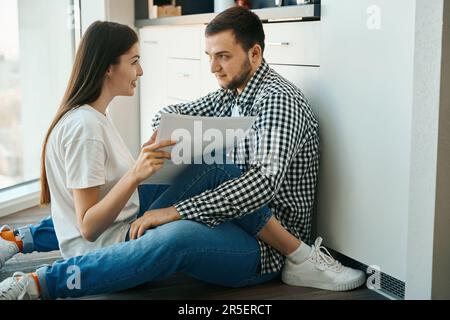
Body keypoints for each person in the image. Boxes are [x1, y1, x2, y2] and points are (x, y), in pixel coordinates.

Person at [0, 8, 365, 300]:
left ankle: (41, 283)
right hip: (228, 215)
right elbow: (167, 116)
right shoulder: (231, 94)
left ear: (255, 53)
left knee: (174, 232)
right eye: (209, 56)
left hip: (267, 243)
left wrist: (173, 211)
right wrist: (173, 140)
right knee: (141, 193)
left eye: (223, 56)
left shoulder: (277, 102)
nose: (213, 68)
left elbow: (261, 187)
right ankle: (17, 239)